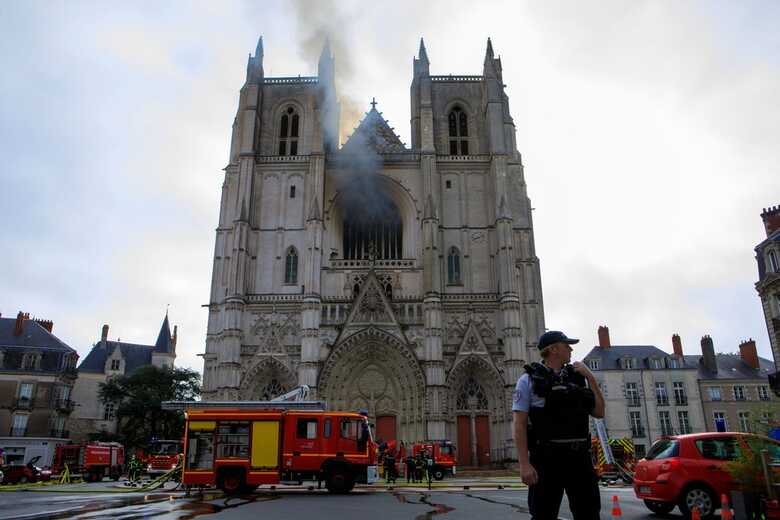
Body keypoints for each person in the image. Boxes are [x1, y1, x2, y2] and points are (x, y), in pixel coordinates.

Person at [512, 330, 605, 520]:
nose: (571, 349)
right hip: (547, 460)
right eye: (566, 345)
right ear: (553, 349)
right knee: (543, 514)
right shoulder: (528, 380)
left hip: (579, 459)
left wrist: (591, 378)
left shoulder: (578, 377)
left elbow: (599, 412)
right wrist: (524, 464)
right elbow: (519, 424)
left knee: (589, 514)